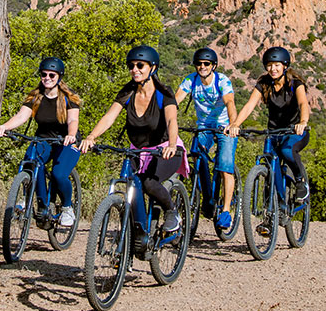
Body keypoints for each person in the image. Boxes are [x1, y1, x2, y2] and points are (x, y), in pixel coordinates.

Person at [80, 45, 186, 231]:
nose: (134, 69)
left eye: (140, 65)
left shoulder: (164, 94)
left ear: (152, 68)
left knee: (149, 183)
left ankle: (172, 211)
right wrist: (91, 137)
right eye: (131, 66)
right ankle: (138, 230)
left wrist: (171, 143)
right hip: (137, 150)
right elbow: (109, 117)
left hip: (165, 149)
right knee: (130, 182)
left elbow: (171, 120)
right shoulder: (128, 91)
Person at [0, 57, 81, 227]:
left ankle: (67, 207)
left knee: (59, 174)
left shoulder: (68, 97)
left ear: (59, 77)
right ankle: (34, 201)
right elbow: (21, 116)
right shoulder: (35, 96)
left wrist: (71, 135)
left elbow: (73, 120)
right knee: (30, 160)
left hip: (67, 142)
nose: (47, 78)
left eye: (52, 75)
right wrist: (4, 126)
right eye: (44, 74)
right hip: (44, 140)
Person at [232, 45, 310, 205]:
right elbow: (249, 106)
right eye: (269, 65)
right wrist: (236, 124)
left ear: (285, 65)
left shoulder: (295, 84)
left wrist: (302, 122)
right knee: (269, 166)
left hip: (294, 131)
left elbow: (303, 103)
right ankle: (272, 214)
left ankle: (301, 181)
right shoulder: (264, 83)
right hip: (274, 132)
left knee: (287, 151)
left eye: (276, 65)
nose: (272, 69)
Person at [175, 46, 238, 229]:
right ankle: (207, 197)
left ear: (213, 65)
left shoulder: (222, 81)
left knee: (225, 166)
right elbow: (175, 101)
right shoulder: (191, 81)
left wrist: (233, 124)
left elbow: (230, 102)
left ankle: (226, 211)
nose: (202, 67)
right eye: (199, 64)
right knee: (196, 155)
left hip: (224, 126)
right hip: (203, 126)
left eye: (206, 64)